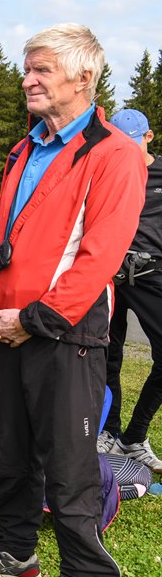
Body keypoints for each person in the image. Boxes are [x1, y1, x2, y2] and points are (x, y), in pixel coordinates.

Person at [0, 24, 146, 577]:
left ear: (84, 78)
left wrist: (31, 320)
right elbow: (3, 230)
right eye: (27, 68)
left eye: (41, 70)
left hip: (65, 334)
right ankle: (16, 554)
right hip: (8, 328)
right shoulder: (24, 147)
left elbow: (100, 255)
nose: (27, 79)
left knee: (69, 469)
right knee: (10, 451)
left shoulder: (113, 152)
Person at [100, 108, 162, 474]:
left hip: (153, 275)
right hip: (111, 274)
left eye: (132, 143)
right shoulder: (113, 170)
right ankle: (109, 429)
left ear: (149, 137)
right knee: (107, 355)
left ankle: (134, 436)